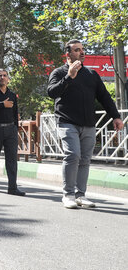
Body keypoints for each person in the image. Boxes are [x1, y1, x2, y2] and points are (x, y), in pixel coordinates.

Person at [48, 39, 124, 208]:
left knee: (85, 160)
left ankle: (80, 195)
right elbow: (51, 93)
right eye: (77, 50)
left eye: (82, 49)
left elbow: (105, 97)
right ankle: (68, 195)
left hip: (88, 124)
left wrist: (116, 116)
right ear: (68, 54)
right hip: (67, 123)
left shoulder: (92, 74)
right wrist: (69, 77)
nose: (82, 52)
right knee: (73, 155)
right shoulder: (59, 73)